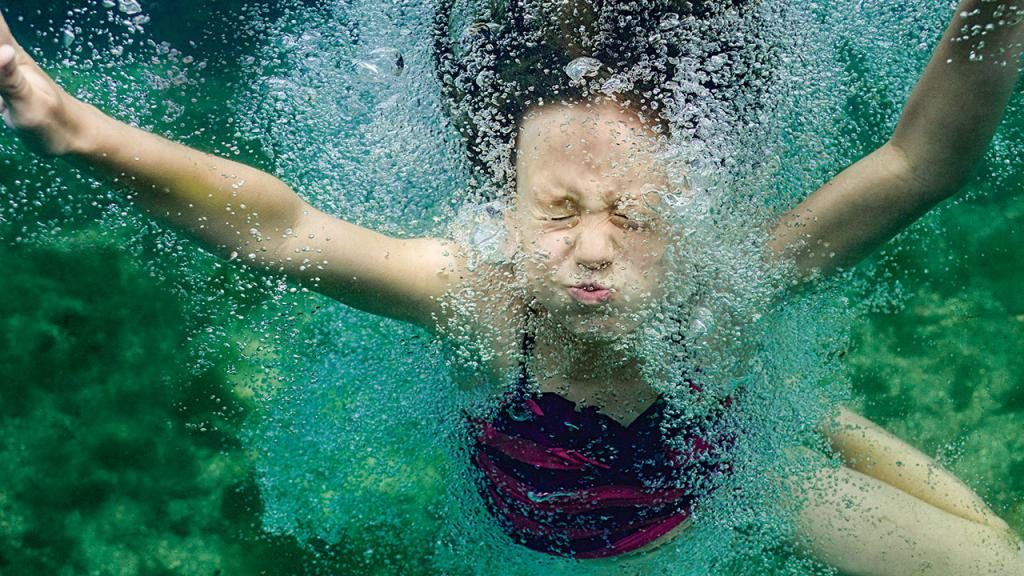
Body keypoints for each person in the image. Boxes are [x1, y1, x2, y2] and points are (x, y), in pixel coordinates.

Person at [1, 1, 1022, 574]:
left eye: (634, 215)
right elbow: (284, 228)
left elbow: (917, 165)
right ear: (508, 200)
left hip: (718, 490)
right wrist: (75, 130)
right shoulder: (474, 298)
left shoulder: (728, 289)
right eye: (557, 210)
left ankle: (814, 422)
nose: (588, 249)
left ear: (691, 213)